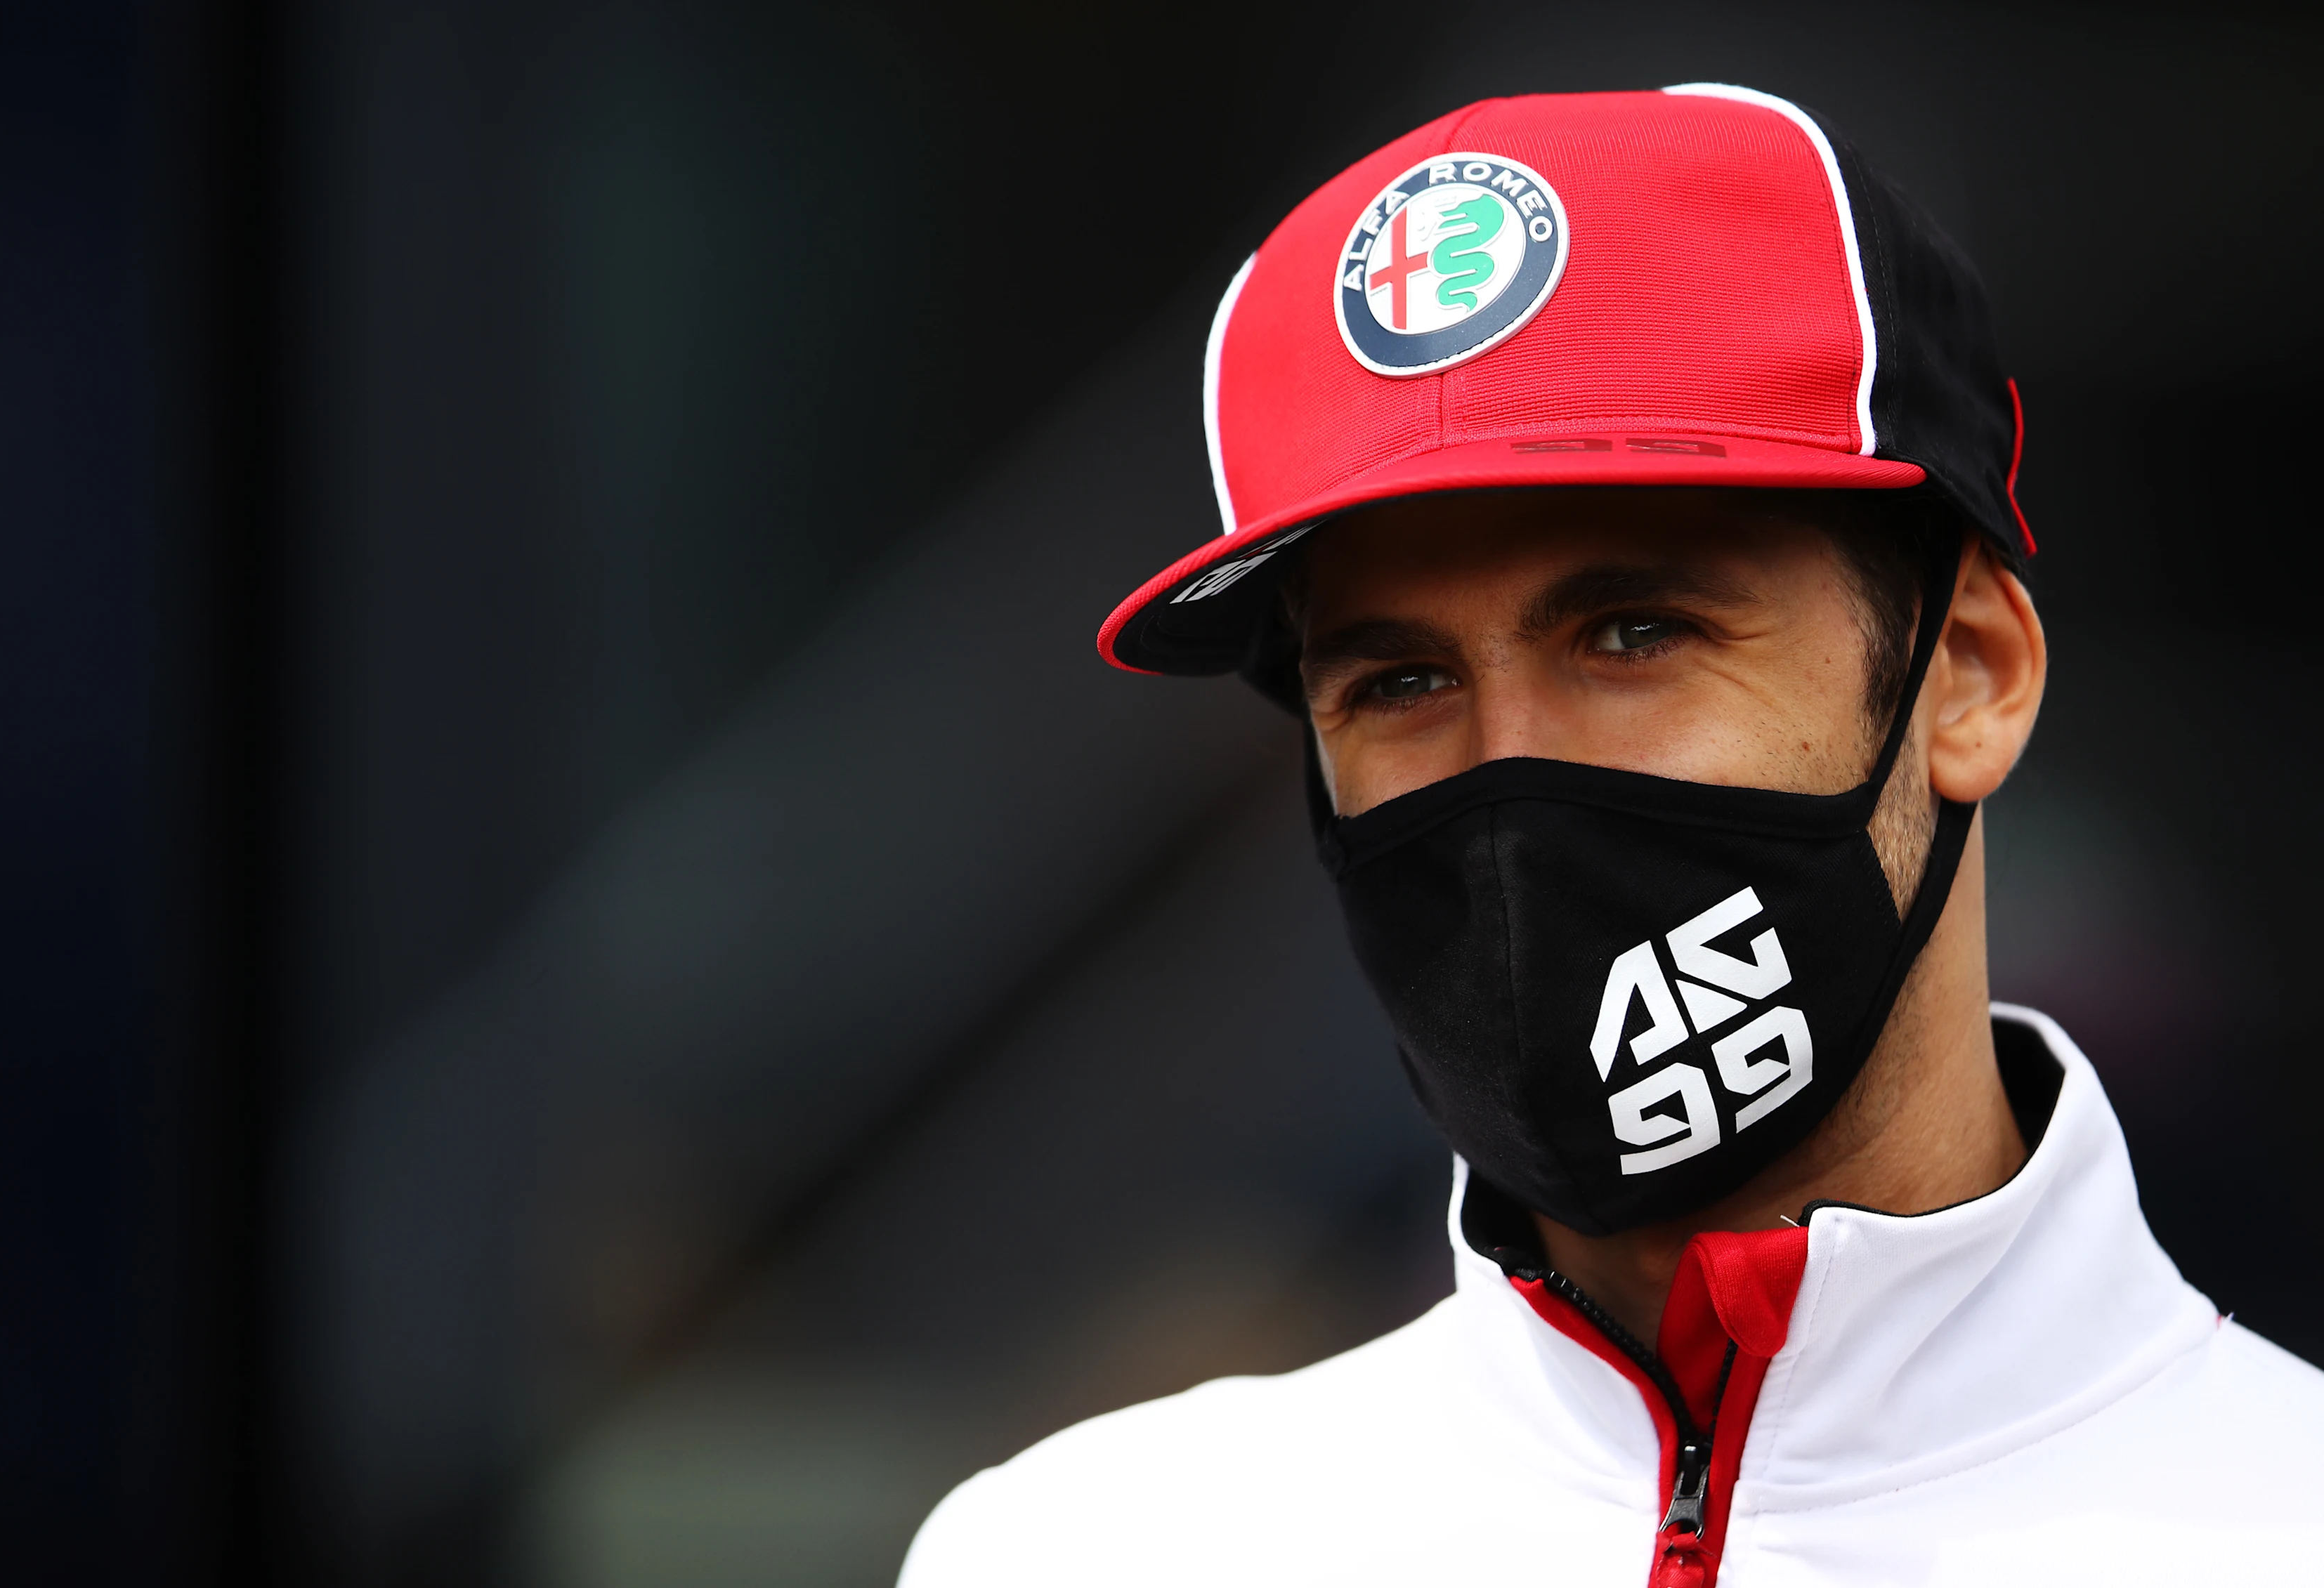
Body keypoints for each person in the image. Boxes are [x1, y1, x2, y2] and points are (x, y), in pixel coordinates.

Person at [898, 86, 2324, 1587]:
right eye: (1398, 680)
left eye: (1634, 630)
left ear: (1968, 670)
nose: (1510, 773)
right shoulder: (1081, 1548)